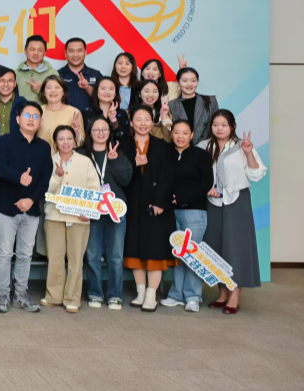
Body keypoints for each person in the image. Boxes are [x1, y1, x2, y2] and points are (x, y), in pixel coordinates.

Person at [200, 110, 267, 314]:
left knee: (236, 248)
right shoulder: (204, 146)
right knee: (216, 247)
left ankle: (234, 296)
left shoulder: (241, 146)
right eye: (215, 124)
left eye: (224, 125)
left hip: (236, 201)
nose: (219, 128)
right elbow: (196, 174)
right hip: (212, 202)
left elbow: (256, 174)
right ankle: (222, 294)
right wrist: (205, 188)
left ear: (232, 126)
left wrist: (248, 153)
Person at [0, 102, 52, 314]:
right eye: (27, 115)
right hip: (6, 207)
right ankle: (3, 295)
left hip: (31, 208)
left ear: (40, 121)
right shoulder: (5, 141)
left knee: (25, 254)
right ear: (17, 119)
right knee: (4, 253)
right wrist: (19, 177)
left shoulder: (44, 147)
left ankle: (21, 295)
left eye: (36, 116)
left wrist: (31, 200)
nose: (31, 119)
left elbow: (45, 180)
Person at [123, 105, 176, 312]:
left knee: (155, 250)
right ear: (131, 122)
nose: (143, 124)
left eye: (147, 119)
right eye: (138, 119)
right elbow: (120, 176)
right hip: (133, 204)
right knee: (134, 248)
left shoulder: (162, 146)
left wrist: (160, 202)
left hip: (157, 205)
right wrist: (134, 164)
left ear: (153, 122)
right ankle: (140, 292)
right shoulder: (123, 145)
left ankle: (152, 294)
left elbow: (167, 177)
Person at [160, 119, 214, 313]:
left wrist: (182, 199)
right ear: (171, 134)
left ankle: (192, 296)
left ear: (192, 135)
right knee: (177, 253)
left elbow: (206, 183)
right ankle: (176, 294)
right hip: (170, 212)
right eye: (176, 132)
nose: (180, 136)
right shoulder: (167, 154)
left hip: (194, 211)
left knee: (192, 254)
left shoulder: (201, 155)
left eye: (185, 133)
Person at [43, 126, 97, 313]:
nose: (65, 142)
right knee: (55, 258)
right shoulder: (49, 161)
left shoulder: (85, 161)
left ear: (75, 141)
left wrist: (88, 210)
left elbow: (94, 189)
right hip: (54, 216)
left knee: (76, 260)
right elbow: (45, 190)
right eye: (61, 139)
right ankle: (54, 295)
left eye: (69, 138)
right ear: (55, 142)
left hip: (79, 217)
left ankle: (73, 298)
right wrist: (56, 177)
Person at [81, 117, 132, 310]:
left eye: (104, 129)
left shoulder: (118, 153)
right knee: (92, 254)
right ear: (90, 132)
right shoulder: (82, 155)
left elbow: (126, 180)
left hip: (115, 210)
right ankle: (95, 292)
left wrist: (115, 160)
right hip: (92, 210)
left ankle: (114, 294)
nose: (101, 133)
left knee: (116, 256)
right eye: (96, 129)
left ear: (110, 132)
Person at [168, 67, 219, 145]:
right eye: (185, 81)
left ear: (197, 82)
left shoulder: (210, 101)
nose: (189, 84)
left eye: (193, 80)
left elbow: (216, 126)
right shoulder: (171, 105)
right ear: (178, 82)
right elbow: (169, 132)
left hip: (206, 148)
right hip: (181, 149)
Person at [37, 76, 85, 148]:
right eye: (49, 87)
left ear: (63, 92)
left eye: (57, 87)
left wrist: (75, 133)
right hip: (40, 154)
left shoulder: (74, 112)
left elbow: (81, 143)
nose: (53, 90)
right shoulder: (37, 111)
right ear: (44, 92)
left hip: (64, 154)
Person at [0, 68, 28, 151]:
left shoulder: (24, 104)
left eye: (10, 81)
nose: (6, 84)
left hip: (18, 151)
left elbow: (30, 130)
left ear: (15, 83)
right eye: (2, 81)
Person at [56, 38, 102, 111]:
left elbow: (103, 99)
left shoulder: (96, 75)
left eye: (79, 51)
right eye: (71, 51)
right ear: (65, 54)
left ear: (85, 53)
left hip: (91, 118)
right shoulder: (57, 75)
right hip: (63, 117)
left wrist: (87, 87)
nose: (75, 55)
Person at [84, 77, 132, 145]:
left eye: (111, 89)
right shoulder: (87, 113)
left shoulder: (122, 113)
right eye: (103, 88)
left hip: (117, 151)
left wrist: (113, 121)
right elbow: (86, 138)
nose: (107, 92)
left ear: (115, 93)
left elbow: (126, 139)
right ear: (97, 91)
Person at [15, 35, 59, 102]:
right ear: (25, 51)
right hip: (22, 109)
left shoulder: (52, 73)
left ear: (45, 53)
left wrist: (41, 90)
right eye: (32, 49)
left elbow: (58, 98)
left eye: (40, 50)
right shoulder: (16, 73)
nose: (36, 53)